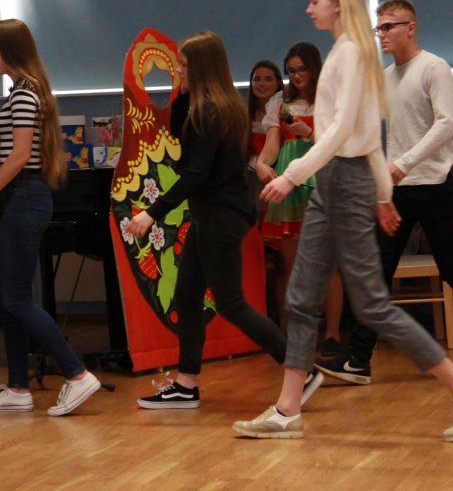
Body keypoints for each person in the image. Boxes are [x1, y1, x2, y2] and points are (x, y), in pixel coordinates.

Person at [234, 0, 453, 442]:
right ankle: (288, 408)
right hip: (337, 183)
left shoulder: (353, 53)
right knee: (302, 296)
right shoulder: (346, 52)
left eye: (315, 0)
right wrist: (382, 193)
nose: (309, 8)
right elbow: (370, 136)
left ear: (337, 3)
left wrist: (292, 176)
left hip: (343, 181)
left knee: (371, 304)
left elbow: (341, 133)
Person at [319, 0, 453, 384]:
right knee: (376, 271)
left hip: (433, 186)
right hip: (399, 188)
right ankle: (358, 359)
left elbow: (447, 124)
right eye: (378, 28)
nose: (381, 34)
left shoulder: (434, 67)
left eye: (388, 26)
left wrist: (405, 162)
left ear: (411, 28)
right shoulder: (386, 77)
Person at [125, 33, 321, 410]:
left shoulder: (211, 111)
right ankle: (186, 384)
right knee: (187, 296)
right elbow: (179, 133)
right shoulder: (211, 105)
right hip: (210, 215)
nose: (178, 70)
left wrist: (152, 213)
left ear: (201, 67)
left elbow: (195, 173)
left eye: (184, 65)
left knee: (231, 304)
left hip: (220, 217)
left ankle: (302, 369)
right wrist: (182, 93)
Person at [0, 19, 101, 416]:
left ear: (12, 49)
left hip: (26, 195)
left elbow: (21, 155)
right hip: (23, 196)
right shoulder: (21, 91)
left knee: (15, 297)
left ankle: (77, 374)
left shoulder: (25, 93)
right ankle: (17, 387)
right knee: (7, 295)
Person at [254, 43, 343, 355]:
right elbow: (272, 145)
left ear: (314, 68)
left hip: (321, 181)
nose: (296, 76)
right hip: (289, 186)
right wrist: (262, 164)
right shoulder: (280, 102)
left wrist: (307, 133)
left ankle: (332, 334)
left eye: (301, 69)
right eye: (291, 71)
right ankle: (297, 333)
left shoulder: (330, 99)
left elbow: (337, 146)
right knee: (292, 265)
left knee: (326, 264)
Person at [244, 59, 283, 219]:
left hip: (278, 174)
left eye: (268, 79)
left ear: (278, 82)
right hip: (249, 177)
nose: (262, 84)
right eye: (257, 79)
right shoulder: (245, 115)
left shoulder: (285, 111)